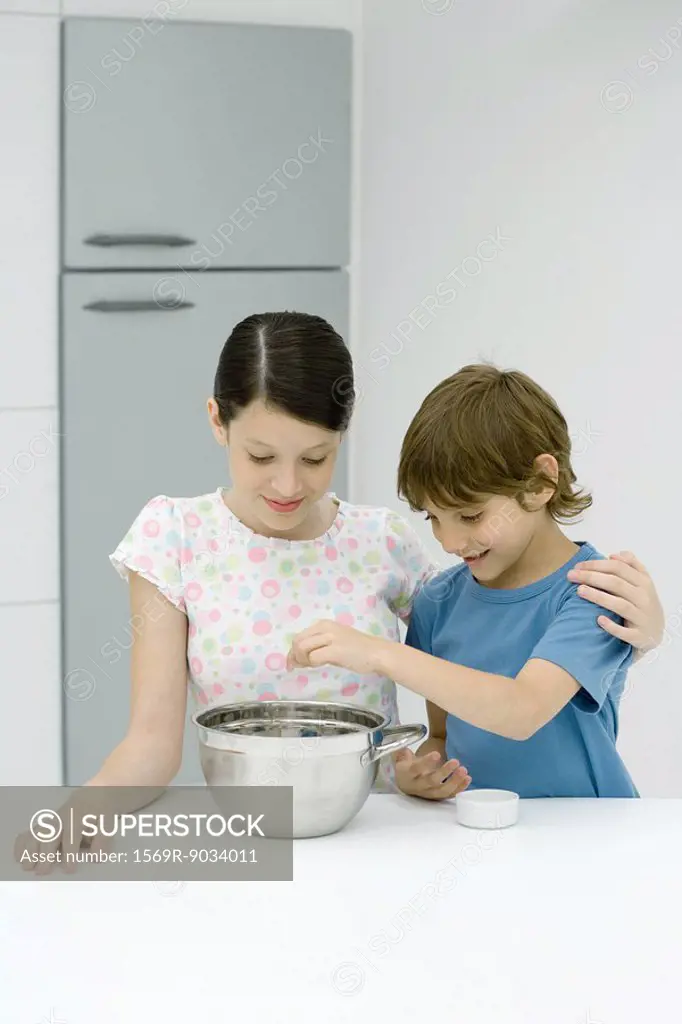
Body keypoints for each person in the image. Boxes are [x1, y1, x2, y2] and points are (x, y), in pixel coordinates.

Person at [17, 322, 664, 874]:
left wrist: (645, 636)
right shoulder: (174, 535)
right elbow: (152, 744)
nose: (287, 484)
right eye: (262, 454)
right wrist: (77, 817)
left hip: (416, 842)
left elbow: (513, 683)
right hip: (269, 839)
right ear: (218, 420)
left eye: (317, 457)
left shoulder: (387, 543)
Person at [287, 362, 663, 799]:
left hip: (589, 839)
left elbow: (523, 710)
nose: (449, 541)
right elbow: (443, 737)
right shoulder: (437, 602)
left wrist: (378, 653)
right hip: (478, 836)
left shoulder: (595, 592)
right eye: (434, 518)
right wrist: (422, 773)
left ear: (541, 481)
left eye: (470, 516)